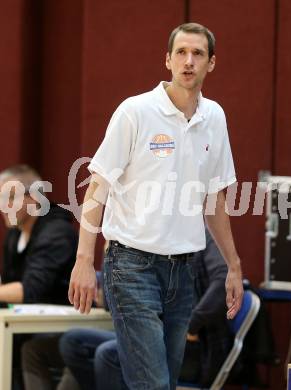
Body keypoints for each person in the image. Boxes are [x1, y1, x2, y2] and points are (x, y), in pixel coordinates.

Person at [69, 22, 243, 390]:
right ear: (167, 60)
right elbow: (96, 187)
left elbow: (214, 199)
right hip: (131, 268)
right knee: (153, 385)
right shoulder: (135, 111)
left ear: (211, 64)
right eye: (181, 52)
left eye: (198, 54)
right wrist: (84, 261)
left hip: (183, 271)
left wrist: (233, 265)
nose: (189, 61)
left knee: (162, 381)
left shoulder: (215, 117)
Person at [60, 228, 232, 390]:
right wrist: (112, 251)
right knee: (73, 342)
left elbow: (222, 281)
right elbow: (109, 304)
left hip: (192, 342)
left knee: (108, 355)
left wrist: (192, 324)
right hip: (147, 330)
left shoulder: (199, 232)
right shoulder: (142, 234)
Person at [0, 164, 78, 388]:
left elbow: (30, 289)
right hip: (24, 324)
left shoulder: (57, 232)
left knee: (27, 349)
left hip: (61, 326)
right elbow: (9, 285)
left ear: (33, 198)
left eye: (10, 198)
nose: (3, 207)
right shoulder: (14, 235)